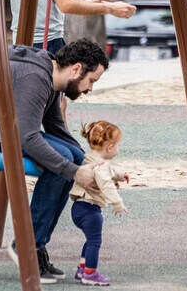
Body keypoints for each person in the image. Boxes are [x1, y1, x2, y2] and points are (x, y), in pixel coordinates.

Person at [0, 38, 110, 284]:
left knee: (73, 156)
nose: (90, 89)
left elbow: (56, 128)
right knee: (63, 162)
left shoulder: (52, 78)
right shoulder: (35, 77)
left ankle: (37, 244)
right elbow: (27, 137)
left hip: (5, 129)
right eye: (92, 81)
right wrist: (75, 172)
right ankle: (27, 245)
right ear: (76, 69)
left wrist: (88, 162)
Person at [70, 120, 129, 286]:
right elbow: (106, 183)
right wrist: (117, 203)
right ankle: (90, 273)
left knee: (90, 239)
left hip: (79, 208)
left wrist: (121, 174)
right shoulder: (100, 165)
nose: (118, 149)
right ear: (109, 147)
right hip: (89, 210)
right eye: (117, 145)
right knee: (95, 241)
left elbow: (110, 171)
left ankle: (83, 268)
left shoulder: (90, 158)